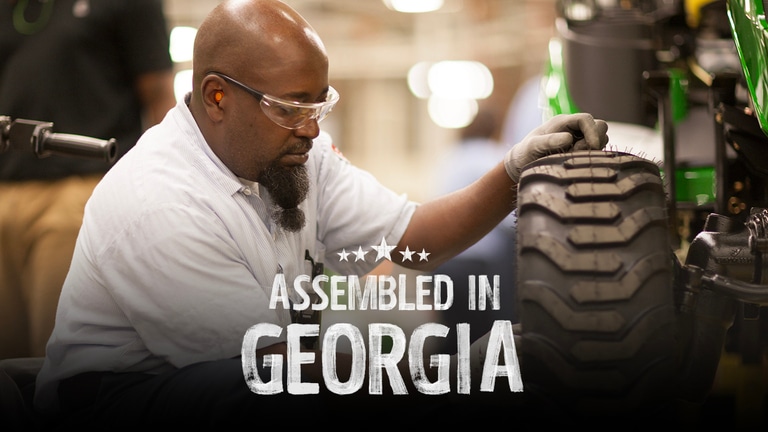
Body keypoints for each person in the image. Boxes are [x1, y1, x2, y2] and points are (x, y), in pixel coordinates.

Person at [32, 0, 609, 427]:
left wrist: (512, 173)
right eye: (291, 107)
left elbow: (410, 239)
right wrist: (450, 372)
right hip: (122, 401)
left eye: (319, 104)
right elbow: (269, 370)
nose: (311, 127)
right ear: (216, 97)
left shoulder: (295, 155)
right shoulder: (156, 204)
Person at [0, 0, 176, 359]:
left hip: (81, 194)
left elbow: (160, 98)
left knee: (56, 360)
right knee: (9, 363)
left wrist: (165, 198)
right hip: (6, 191)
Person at [431, 107, 519, 352]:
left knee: (451, 335)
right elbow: (509, 218)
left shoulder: (451, 156)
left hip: (443, 264)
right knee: (485, 337)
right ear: (495, 129)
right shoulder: (496, 157)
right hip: (479, 267)